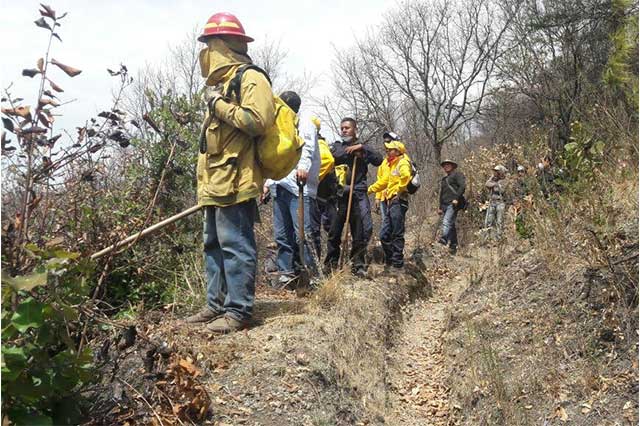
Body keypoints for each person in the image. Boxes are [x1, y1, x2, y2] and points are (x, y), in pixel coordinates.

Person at [185, 12, 275, 333]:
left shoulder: (251, 79)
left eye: (210, 44)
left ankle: (238, 311)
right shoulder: (222, 85)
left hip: (237, 181)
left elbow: (257, 121)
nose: (206, 52)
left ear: (223, 45)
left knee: (235, 245)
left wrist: (217, 105)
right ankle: (216, 305)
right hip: (215, 182)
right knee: (213, 245)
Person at [262, 92, 320, 287]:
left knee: (303, 233)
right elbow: (274, 156)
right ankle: (287, 273)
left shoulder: (304, 122)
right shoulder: (277, 126)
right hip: (280, 185)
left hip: (299, 188)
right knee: (282, 234)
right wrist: (267, 183)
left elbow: (308, 147)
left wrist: (303, 167)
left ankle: (312, 274)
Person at [325, 117, 383, 276]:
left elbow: (378, 159)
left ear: (355, 129)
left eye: (347, 128)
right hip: (340, 194)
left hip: (358, 194)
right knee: (334, 231)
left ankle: (358, 264)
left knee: (361, 230)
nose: (344, 130)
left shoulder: (363, 148)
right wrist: (350, 151)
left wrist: (362, 148)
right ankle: (331, 265)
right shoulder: (337, 146)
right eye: (342, 128)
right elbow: (335, 154)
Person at [368, 138, 412, 271]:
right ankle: (391, 259)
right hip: (391, 202)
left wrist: (399, 189)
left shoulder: (403, 162)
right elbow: (383, 182)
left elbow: (406, 176)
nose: (387, 151)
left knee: (397, 232)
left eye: (390, 149)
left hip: (398, 201)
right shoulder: (392, 164)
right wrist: (369, 190)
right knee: (384, 234)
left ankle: (397, 263)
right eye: (387, 149)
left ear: (397, 151)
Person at [308, 117, 336, 260]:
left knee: (314, 231)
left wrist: (312, 178)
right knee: (313, 230)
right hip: (316, 195)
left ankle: (319, 265)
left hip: (320, 197)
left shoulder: (319, 143)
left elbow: (328, 160)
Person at [438, 159, 466, 255]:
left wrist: (456, 198)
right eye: (444, 165)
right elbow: (441, 194)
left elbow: (462, 186)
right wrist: (440, 207)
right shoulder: (444, 179)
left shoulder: (458, 175)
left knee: (446, 221)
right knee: (451, 225)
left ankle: (444, 239)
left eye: (448, 165)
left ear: (453, 166)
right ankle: (453, 244)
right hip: (445, 204)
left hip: (453, 203)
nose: (446, 166)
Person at [484, 165, 508, 241]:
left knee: (499, 221)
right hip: (492, 202)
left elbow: (502, 190)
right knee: (489, 221)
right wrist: (493, 178)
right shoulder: (493, 179)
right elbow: (487, 184)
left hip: (500, 203)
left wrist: (495, 184)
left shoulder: (505, 180)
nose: (496, 173)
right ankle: (488, 238)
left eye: (497, 171)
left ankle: (499, 238)